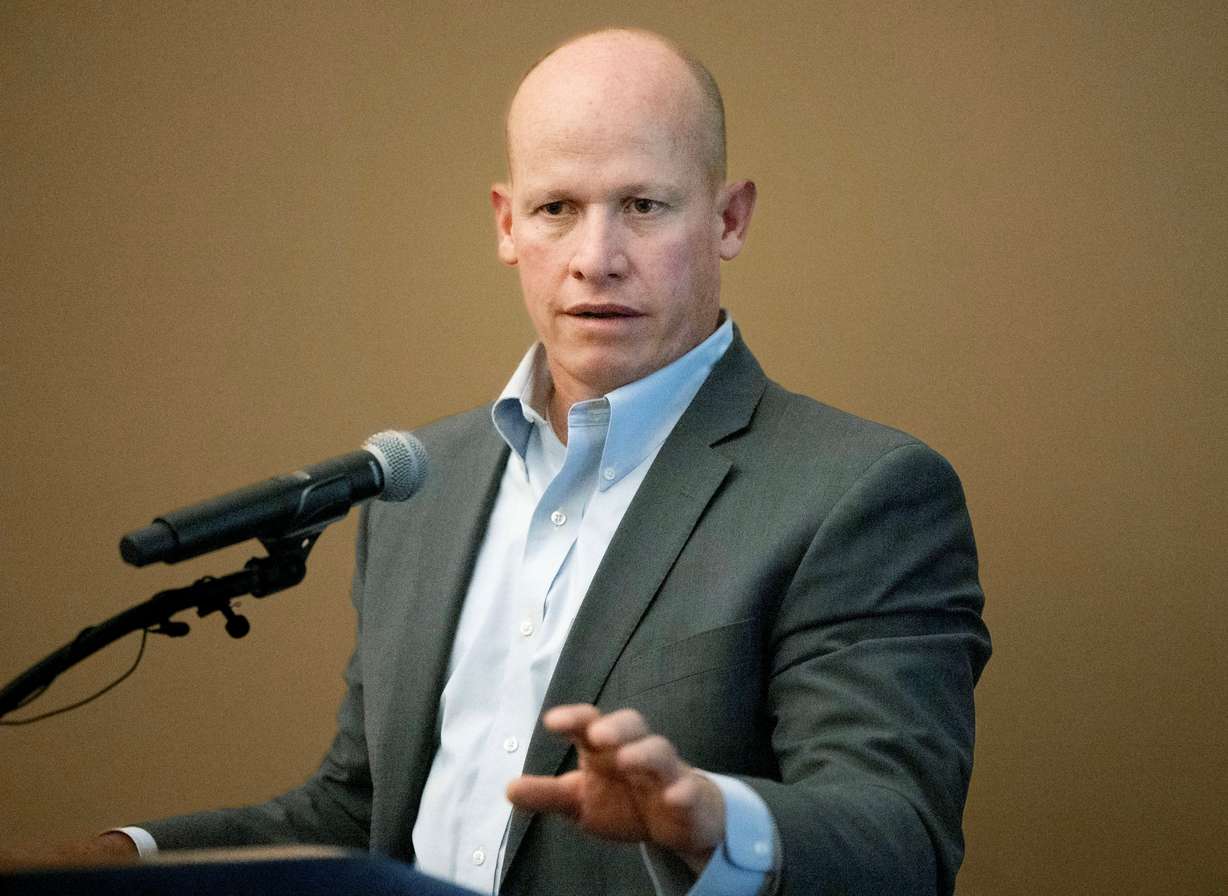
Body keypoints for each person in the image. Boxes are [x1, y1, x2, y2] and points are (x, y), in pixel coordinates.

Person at [27, 28, 991, 895]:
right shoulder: (417, 484)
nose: (595, 256)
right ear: (505, 223)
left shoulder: (858, 492)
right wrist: (126, 855)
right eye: (557, 208)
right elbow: (358, 818)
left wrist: (715, 822)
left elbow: (899, 841)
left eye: (645, 206)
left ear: (730, 219)